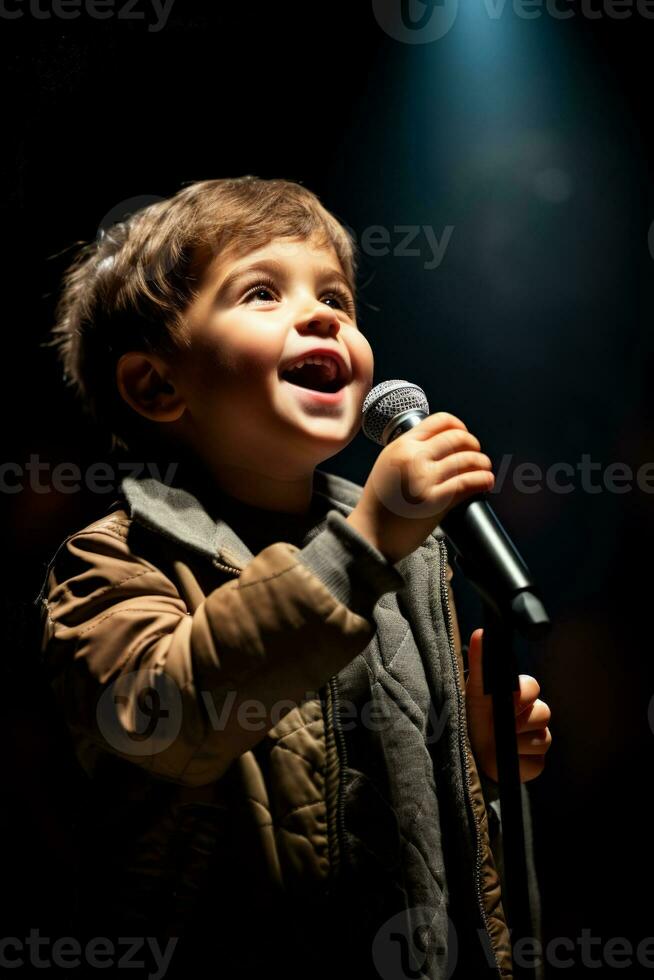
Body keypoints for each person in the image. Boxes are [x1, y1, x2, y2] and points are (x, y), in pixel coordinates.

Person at [36, 176, 551, 979]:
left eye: (338, 299)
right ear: (156, 385)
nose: (322, 316)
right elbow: (167, 723)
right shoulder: (114, 559)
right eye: (262, 292)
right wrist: (366, 539)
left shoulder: (412, 558)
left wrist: (471, 762)